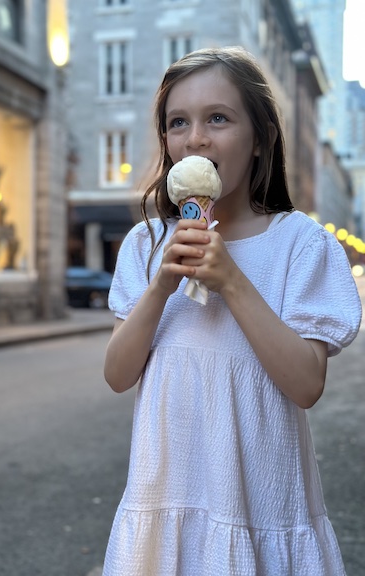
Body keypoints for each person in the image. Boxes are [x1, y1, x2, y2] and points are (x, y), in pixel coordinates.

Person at [102, 46, 362, 575]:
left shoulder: (301, 245)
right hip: (166, 497)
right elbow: (117, 373)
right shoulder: (146, 242)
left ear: (261, 139)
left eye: (217, 118)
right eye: (178, 122)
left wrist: (233, 282)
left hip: (262, 509)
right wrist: (161, 287)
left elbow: (306, 384)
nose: (195, 137)